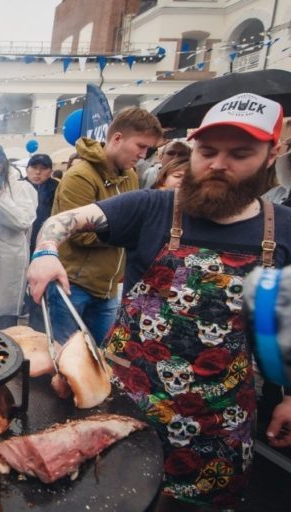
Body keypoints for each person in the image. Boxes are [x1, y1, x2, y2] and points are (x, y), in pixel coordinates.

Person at [26, 93, 291, 510]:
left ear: (272, 154)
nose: (218, 164)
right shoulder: (153, 207)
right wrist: (45, 252)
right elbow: (63, 221)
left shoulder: (284, 229)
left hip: (218, 419)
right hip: (127, 403)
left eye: (239, 154)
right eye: (207, 151)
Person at [46, 107, 162, 344]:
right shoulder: (80, 176)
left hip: (108, 289)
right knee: (66, 356)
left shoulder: (130, 175)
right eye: (141, 146)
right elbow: (79, 235)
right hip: (73, 285)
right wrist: (129, 232)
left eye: (149, 149)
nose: (144, 155)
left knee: (104, 355)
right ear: (117, 138)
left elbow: (133, 221)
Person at [0, 143, 37, 329]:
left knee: (4, 321)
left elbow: (24, 221)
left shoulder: (22, 187)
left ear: (4, 161)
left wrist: (0, 199)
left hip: (9, 261)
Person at [23, 153, 59, 331]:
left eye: (43, 169)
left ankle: (37, 327)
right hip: (20, 244)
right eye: (34, 168)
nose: (37, 172)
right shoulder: (19, 186)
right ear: (27, 169)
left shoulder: (56, 188)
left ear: (50, 171)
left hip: (43, 244)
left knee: (40, 286)